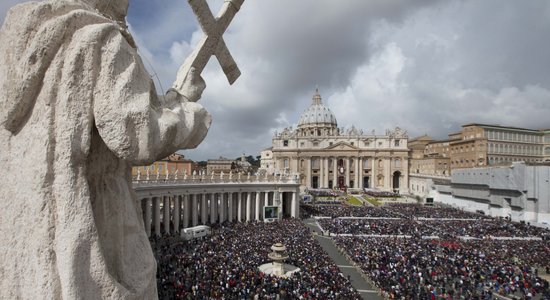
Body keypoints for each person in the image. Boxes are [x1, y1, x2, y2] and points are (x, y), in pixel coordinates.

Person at [0, 0, 211, 299]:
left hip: (25, 225)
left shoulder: (16, 31)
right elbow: (138, 136)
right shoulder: (103, 38)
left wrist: (171, 99)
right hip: (95, 213)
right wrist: (188, 110)